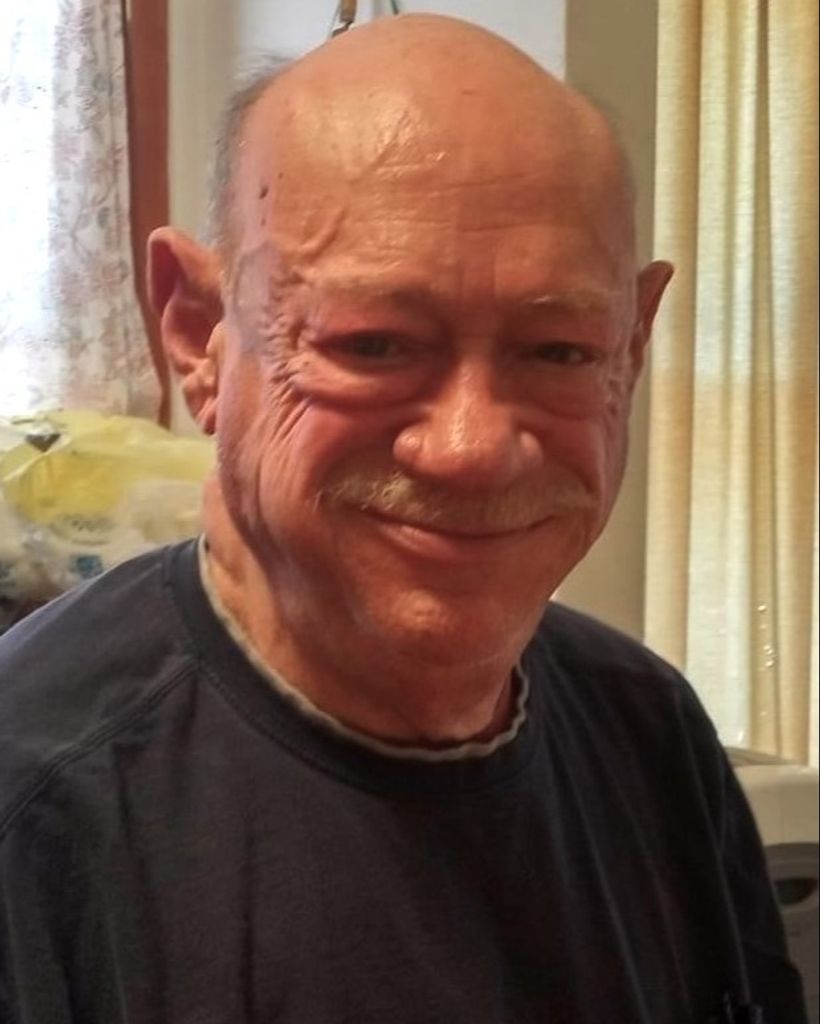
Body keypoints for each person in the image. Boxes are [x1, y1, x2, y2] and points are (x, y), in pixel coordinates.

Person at [0, 14, 807, 1024]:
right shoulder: (34, 816)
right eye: (373, 343)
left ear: (633, 345)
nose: (469, 447)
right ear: (200, 334)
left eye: (558, 350)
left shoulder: (652, 736)